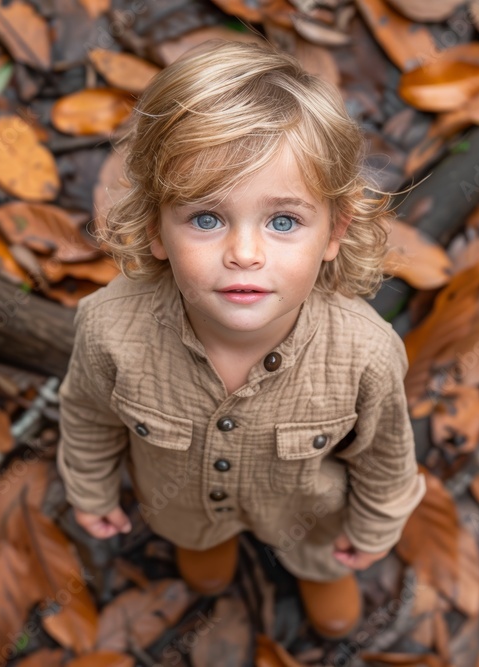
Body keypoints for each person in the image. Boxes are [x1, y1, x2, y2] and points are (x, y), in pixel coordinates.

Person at [56, 39, 426, 640]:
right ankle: (209, 552)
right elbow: (88, 415)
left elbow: (385, 453)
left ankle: (316, 573)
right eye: (207, 218)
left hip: (311, 520)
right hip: (181, 505)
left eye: (283, 221)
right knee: (202, 562)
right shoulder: (108, 328)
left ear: (334, 230)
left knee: (333, 602)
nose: (245, 254)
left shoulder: (365, 353)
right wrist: (90, 488)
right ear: (155, 229)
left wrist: (374, 530)